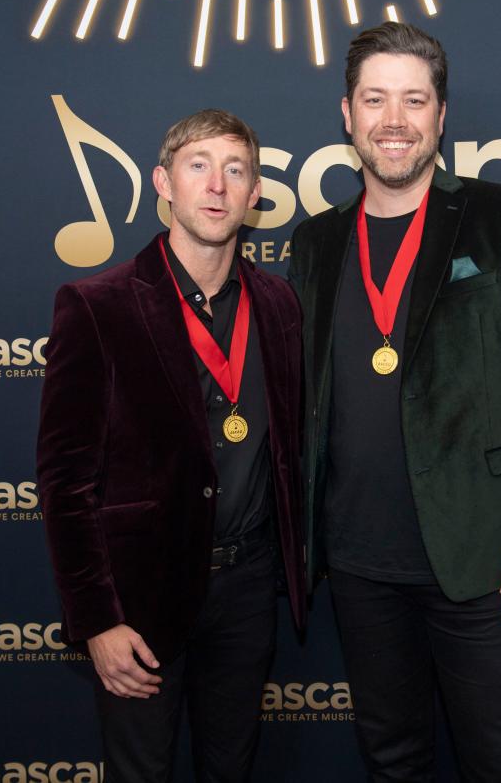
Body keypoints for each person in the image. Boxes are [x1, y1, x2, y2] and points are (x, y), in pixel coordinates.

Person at [288, 22, 501, 782]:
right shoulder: (313, 243)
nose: (394, 119)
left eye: (414, 99)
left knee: (500, 762)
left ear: (441, 116)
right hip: (357, 561)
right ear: (346, 115)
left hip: (481, 559)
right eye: (375, 98)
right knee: (391, 760)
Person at [37, 109, 305, 783]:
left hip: (247, 589)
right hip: (141, 598)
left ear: (255, 195)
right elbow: (64, 481)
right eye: (198, 166)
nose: (217, 185)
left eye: (235, 170)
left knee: (230, 769)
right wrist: (97, 619)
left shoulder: (279, 305)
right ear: (164, 183)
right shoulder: (97, 304)